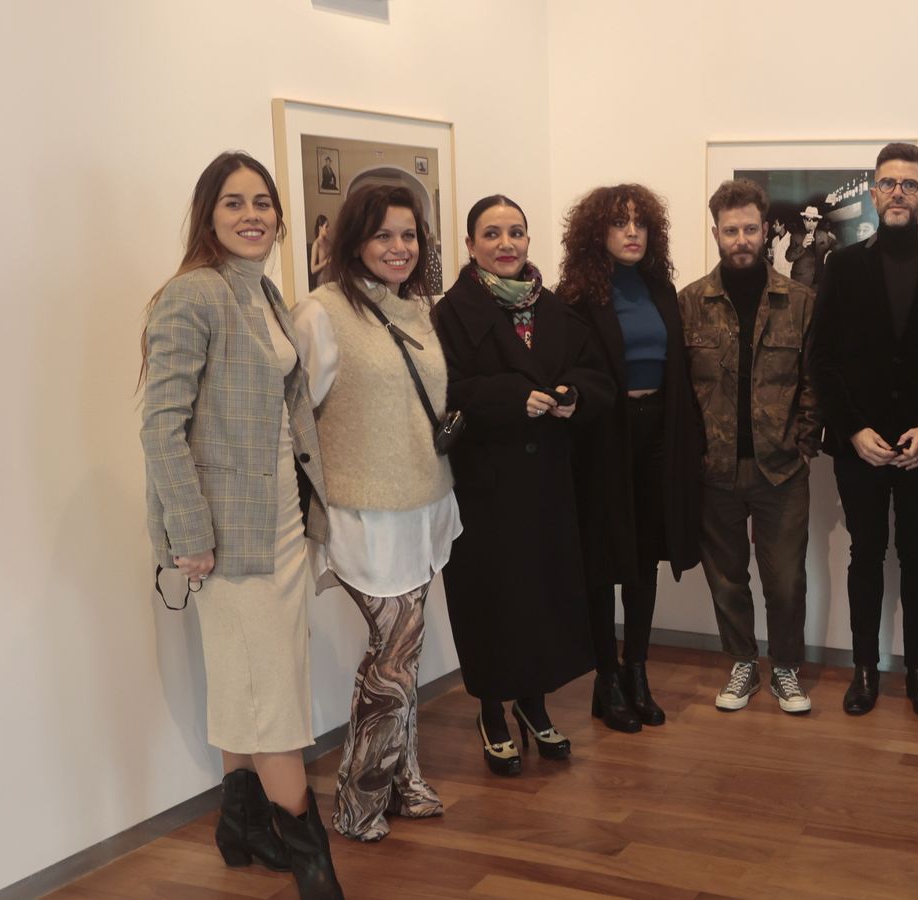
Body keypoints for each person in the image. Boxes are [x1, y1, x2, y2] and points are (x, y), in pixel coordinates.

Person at [140, 151, 343, 898]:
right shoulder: (192, 296)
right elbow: (160, 426)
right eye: (233, 202)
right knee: (273, 700)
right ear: (208, 215)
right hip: (227, 538)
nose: (252, 214)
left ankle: (240, 825)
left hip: (281, 523)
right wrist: (189, 534)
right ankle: (314, 863)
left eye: (262, 201)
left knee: (251, 679)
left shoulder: (261, 292)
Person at [291, 184, 456, 843]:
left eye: (410, 235)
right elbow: (295, 420)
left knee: (403, 655)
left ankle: (405, 779)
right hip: (363, 515)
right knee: (392, 655)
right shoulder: (321, 313)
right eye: (385, 235)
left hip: (424, 503)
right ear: (355, 238)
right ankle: (359, 798)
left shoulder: (418, 306)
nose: (399, 248)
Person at [432, 194, 614, 771]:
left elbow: (594, 371)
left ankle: (534, 707)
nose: (505, 244)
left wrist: (571, 395)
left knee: (541, 596)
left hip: (548, 483)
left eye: (516, 232)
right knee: (490, 597)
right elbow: (442, 390)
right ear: (470, 245)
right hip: (485, 485)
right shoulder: (450, 314)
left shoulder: (555, 309)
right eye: (492, 234)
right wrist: (513, 397)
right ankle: (490, 710)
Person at [810, 143, 918, 720]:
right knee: (865, 554)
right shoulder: (843, 266)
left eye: (909, 184)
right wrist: (852, 430)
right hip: (862, 448)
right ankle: (863, 670)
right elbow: (822, 358)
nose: (898, 192)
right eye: (887, 183)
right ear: (873, 193)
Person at [560, 184, 702, 732]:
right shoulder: (574, 298)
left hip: (656, 436)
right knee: (603, 561)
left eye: (641, 223)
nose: (632, 232)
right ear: (598, 232)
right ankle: (605, 678)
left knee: (644, 560)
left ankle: (636, 669)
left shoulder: (661, 290)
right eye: (620, 223)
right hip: (601, 438)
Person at [679, 179, 820, 714]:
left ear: (767, 231)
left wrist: (803, 443)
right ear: (716, 233)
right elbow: (682, 391)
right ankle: (742, 662)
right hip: (715, 469)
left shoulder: (800, 301)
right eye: (730, 230)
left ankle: (785, 667)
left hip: (781, 468)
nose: (741, 239)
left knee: (785, 580)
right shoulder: (690, 302)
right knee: (727, 578)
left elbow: (815, 383)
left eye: (750, 229)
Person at [786, 203, 837, 288]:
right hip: (800, 282)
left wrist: (830, 252)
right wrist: (802, 245)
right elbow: (788, 257)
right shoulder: (796, 236)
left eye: (814, 220)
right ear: (804, 221)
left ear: (817, 222)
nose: (811, 223)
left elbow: (837, 245)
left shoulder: (823, 235)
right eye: (808, 220)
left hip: (818, 283)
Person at [308, 214, 331, 290]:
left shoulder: (329, 243)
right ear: (320, 228)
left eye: (329, 227)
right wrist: (325, 262)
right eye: (326, 226)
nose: (328, 229)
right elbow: (313, 269)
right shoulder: (316, 244)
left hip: (332, 281)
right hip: (322, 283)